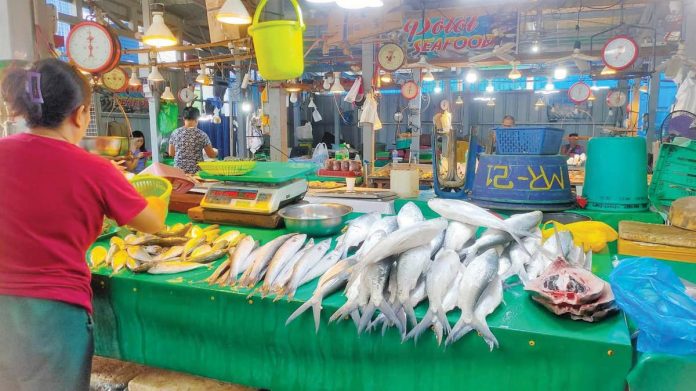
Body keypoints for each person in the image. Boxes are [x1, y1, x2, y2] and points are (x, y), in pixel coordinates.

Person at [0, 59, 167, 390]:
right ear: (80, 114)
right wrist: (131, 184)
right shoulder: (95, 169)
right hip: (54, 316)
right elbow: (153, 223)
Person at [168, 107, 217, 174]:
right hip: (196, 174)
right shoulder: (201, 135)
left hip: (179, 173)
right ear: (197, 119)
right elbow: (211, 155)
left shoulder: (175, 133)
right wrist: (216, 152)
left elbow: (171, 153)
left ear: (183, 119)